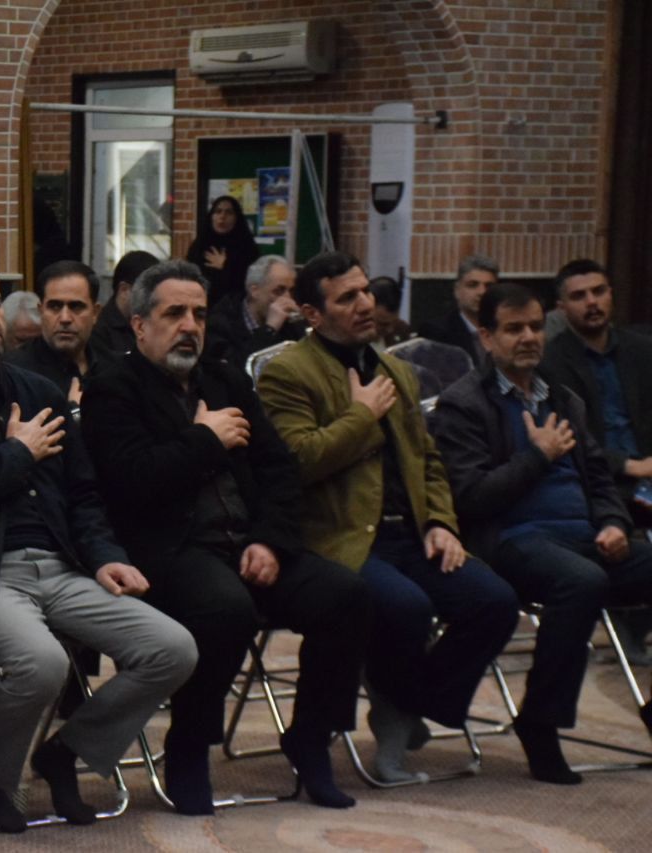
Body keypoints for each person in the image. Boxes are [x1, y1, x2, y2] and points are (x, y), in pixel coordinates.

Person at [0, 254, 196, 833]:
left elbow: (83, 494)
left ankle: (68, 751)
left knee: (172, 647)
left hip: (60, 564)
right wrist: (17, 454)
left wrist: (105, 557)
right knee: (43, 662)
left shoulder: (37, 391)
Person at [82, 259, 369, 812]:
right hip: (170, 548)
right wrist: (204, 439)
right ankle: (190, 745)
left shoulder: (226, 378)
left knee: (346, 595)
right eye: (174, 313)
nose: (189, 326)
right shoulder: (112, 387)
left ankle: (311, 737)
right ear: (140, 324)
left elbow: (279, 469)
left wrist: (270, 540)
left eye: (198, 314)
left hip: (248, 543)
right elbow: (132, 482)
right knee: (226, 610)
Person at [256, 251, 518, 783]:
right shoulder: (288, 372)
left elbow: (429, 461)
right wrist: (362, 415)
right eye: (346, 298)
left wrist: (441, 523)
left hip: (411, 534)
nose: (364, 304)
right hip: (343, 539)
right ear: (313, 313)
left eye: (365, 292)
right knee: (406, 608)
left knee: (495, 602)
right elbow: (297, 461)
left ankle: (406, 702)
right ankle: (394, 708)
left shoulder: (395, 369)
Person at [433, 283, 652, 782]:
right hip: (512, 539)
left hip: (584, 537)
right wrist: (538, 456)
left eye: (535, 326)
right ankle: (540, 721)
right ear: (487, 337)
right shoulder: (463, 404)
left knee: (599, 570)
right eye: (514, 329)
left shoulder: (562, 398)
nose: (529, 337)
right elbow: (470, 498)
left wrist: (614, 522)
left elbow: (599, 478)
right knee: (582, 581)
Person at [541, 259, 652, 661]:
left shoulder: (641, 350)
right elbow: (567, 439)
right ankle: (629, 614)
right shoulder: (550, 362)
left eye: (599, 292)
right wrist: (629, 465)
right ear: (561, 307)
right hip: (599, 480)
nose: (592, 302)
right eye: (579, 296)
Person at [4, 260, 103, 406]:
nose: (65, 318)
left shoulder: (114, 368)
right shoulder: (12, 372)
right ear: (41, 311)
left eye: (76, 307)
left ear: (95, 313)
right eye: (55, 306)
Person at [204, 255, 305, 365]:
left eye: (291, 291)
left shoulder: (290, 324)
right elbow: (237, 369)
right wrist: (269, 329)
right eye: (278, 291)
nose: (288, 299)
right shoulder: (220, 324)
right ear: (254, 291)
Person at [417, 254, 498, 366]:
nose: (482, 292)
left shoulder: (502, 329)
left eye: (489, 286)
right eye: (473, 285)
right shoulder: (436, 332)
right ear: (457, 290)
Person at [186, 195, 260, 309]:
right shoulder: (200, 245)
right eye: (218, 211)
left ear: (236, 218)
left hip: (235, 311)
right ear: (211, 216)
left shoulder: (247, 247)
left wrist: (225, 266)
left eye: (229, 212)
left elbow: (252, 284)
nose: (222, 216)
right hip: (201, 308)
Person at [90, 250, 158, 367]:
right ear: (124, 290)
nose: (152, 301)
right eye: (146, 293)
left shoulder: (152, 323)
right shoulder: (99, 331)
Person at [369, 275, 414, 347]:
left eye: (394, 322)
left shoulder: (402, 330)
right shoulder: (353, 337)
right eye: (383, 324)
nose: (390, 330)